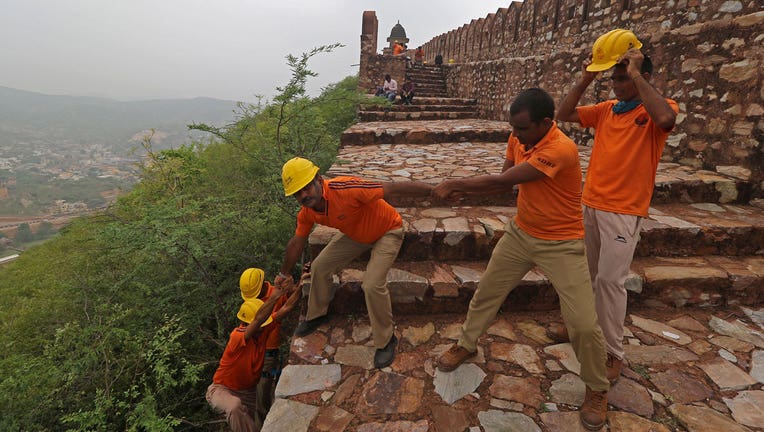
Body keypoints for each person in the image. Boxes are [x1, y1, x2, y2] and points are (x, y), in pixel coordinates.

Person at [433, 88, 610, 431]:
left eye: (522, 129)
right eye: (513, 128)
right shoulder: (520, 138)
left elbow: (506, 179)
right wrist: (466, 189)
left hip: (562, 242)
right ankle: (466, 344)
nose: (515, 135)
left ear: (546, 123)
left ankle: (597, 387)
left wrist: (456, 182)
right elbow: (503, 181)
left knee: (584, 324)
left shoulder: (560, 149)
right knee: (486, 293)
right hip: (521, 233)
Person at [552, 32, 678, 385]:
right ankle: (579, 326)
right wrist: (587, 77)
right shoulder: (608, 110)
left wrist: (636, 75)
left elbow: (666, 120)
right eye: (615, 78)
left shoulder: (656, 108)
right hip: (591, 202)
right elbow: (563, 113)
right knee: (587, 275)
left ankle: (612, 352)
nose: (616, 85)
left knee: (610, 281)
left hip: (623, 209)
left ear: (643, 75)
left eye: (621, 78)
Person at [276, 157, 433, 368]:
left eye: (306, 188)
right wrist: (284, 273)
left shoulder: (346, 189)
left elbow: (392, 188)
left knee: (371, 283)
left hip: (388, 231)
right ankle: (316, 315)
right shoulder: (308, 213)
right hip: (356, 236)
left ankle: (386, 341)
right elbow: (297, 241)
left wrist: (435, 189)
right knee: (319, 266)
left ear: (319, 180)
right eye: (297, 193)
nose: (303, 195)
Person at [206, 281, 290, 432]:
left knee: (257, 421)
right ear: (244, 322)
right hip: (222, 390)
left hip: (248, 391)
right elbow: (257, 320)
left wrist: (302, 284)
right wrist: (274, 297)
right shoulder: (237, 337)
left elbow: (287, 308)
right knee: (234, 406)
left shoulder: (263, 330)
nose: (261, 327)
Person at [238, 268, 302, 430]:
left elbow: (289, 304)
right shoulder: (253, 301)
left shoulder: (275, 293)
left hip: (268, 351)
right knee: (253, 392)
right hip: (252, 351)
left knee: (262, 392)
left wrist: (298, 285)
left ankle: (266, 423)